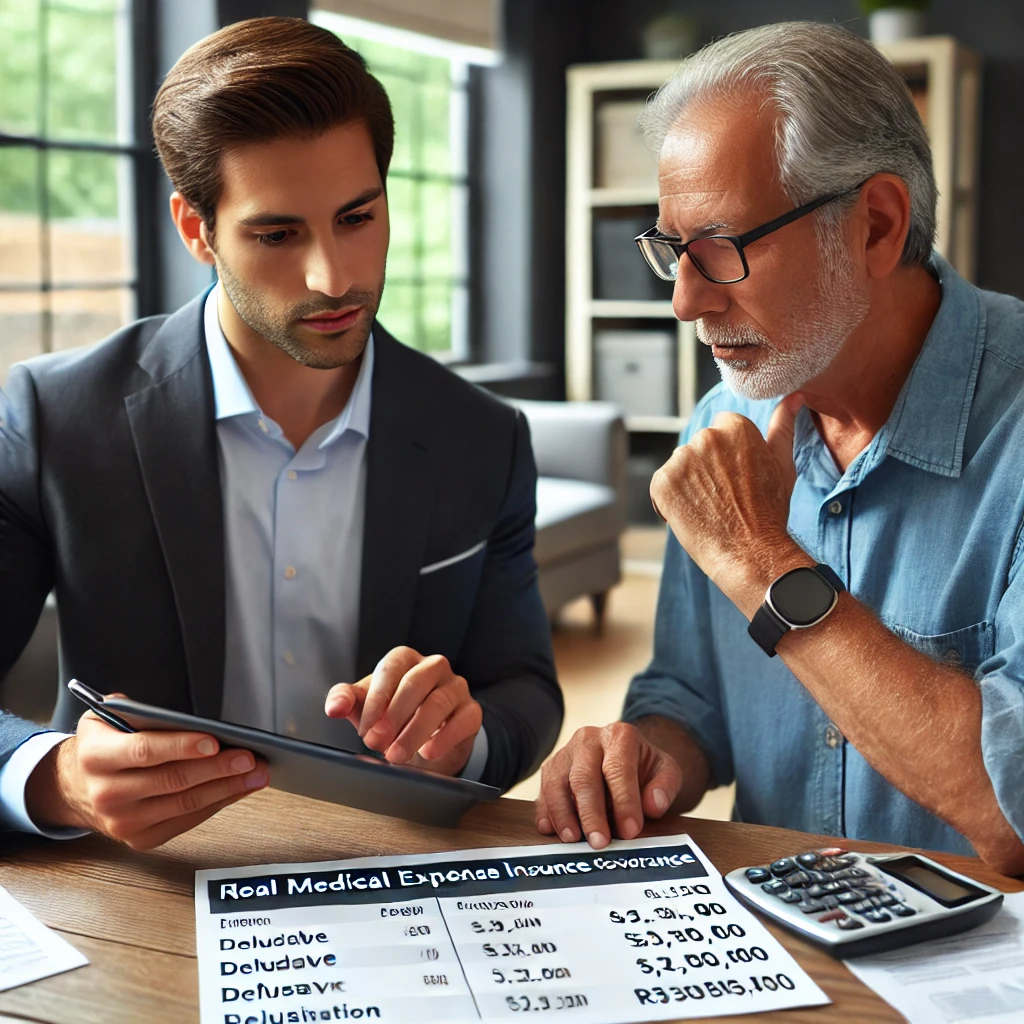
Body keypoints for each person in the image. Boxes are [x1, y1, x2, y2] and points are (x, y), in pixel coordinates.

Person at [0, 17, 562, 850]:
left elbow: (525, 688)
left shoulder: (484, 437)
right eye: (277, 234)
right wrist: (54, 780)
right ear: (197, 230)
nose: (333, 277)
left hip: (391, 874)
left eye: (357, 217)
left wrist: (464, 733)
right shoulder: (54, 418)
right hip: (142, 884)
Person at [536, 21, 1024, 875]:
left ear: (875, 224)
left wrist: (762, 562)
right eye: (672, 250)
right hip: (786, 952)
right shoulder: (722, 423)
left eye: (720, 248)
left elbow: (1011, 813)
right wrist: (646, 756)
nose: (684, 301)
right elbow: (691, 698)